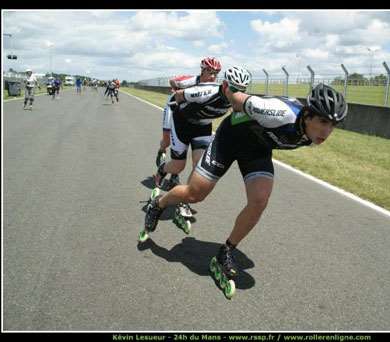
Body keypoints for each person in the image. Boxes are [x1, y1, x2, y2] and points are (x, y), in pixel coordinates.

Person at [141, 78, 347, 298]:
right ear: (307, 115)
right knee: (195, 194)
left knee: (260, 200)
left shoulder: (310, 132)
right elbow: (237, 99)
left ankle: (226, 251)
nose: (327, 131)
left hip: (257, 150)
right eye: (323, 122)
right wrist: (224, 91)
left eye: (333, 125)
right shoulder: (278, 112)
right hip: (229, 141)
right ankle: (159, 204)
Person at [152, 57, 226, 220]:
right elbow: (173, 82)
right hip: (180, 120)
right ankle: (163, 168)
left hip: (202, 126)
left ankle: (184, 199)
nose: (213, 76)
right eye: (209, 72)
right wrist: (178, 88)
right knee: (177, 164)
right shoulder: (191, 81)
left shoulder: (217, 88)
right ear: (202, 70)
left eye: (216, 73)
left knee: (199, 164)